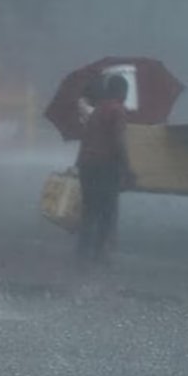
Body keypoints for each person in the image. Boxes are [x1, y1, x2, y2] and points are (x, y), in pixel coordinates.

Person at [75, 74, 134, 265]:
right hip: (104, 166)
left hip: (87, 165)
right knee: (107, 212)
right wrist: (128, 168)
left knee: (89, 211)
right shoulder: (117, 111)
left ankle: (82, 253)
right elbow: (119, 141)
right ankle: (100, 254)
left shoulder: (98, 109)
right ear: (122, 92)